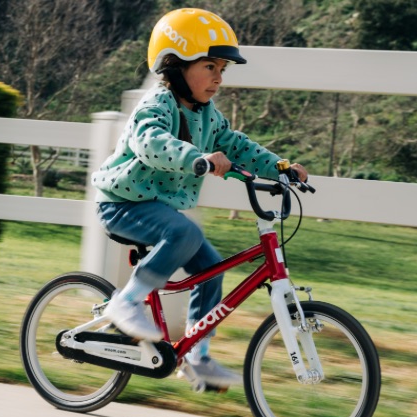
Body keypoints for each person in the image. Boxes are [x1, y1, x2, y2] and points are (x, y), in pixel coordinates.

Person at [90, 8, 308, 388]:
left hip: (157, 207)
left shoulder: (208, 115)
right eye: (210, 67)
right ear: (174, 65)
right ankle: (125, 302)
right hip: (121, 203)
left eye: (223, 69)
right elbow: (152, 143)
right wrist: (198, 158)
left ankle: (196, 356)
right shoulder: (156, 106)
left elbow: (237, 145)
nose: (219, 78)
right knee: (184, 233)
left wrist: (280, 166)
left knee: (211, 270)